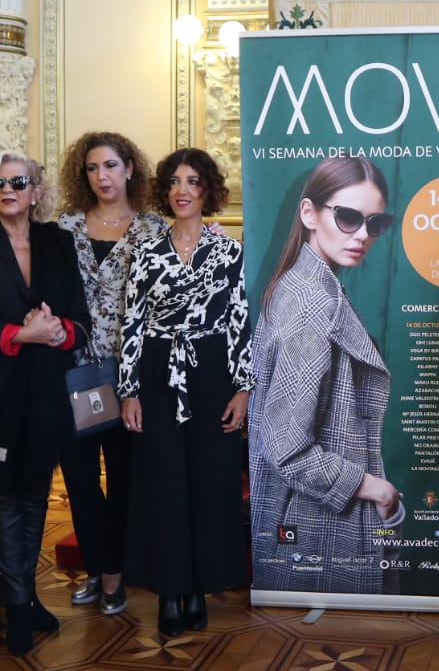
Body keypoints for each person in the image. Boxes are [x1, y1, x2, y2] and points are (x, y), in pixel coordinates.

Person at [0, 152, 91, 654]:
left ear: (36, 191)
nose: (7, 189)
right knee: (4, 492)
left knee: (35, 490)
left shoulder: (58, 241)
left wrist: (56, 332)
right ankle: (14, 607)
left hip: (45, 386)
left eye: (18, 181)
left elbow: (79, 319)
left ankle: (27, 595)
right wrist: (19, 334)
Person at [250, 155, 399, 594]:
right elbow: (288, 449)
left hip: (314, 519)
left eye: (375, 223)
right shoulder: (310, 305)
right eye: (349, 217)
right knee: (333, 633)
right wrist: (376, 489)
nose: (362, 235)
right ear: (309, 213)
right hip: (315, 523)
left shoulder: (308, 285)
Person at [119, 148, 253, 637]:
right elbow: (132, 323)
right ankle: (169, 590)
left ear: (207, 191)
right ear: (164, 190)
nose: (182, 190)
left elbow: (239, 320)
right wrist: (129, 390)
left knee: (210, 481)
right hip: (158, 372)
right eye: (175, 181)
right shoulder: (146, 252)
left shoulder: (229, 252)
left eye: (193, 181)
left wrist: (243, 388)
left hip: (212, 372)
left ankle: (199, 586)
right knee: (164, 482)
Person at [56, 132, 168, 617]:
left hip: (131, 379)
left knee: (123, 479)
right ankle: (96, 566)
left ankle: (116, 575)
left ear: (129, 169)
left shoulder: (153, 229)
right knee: (80, 481)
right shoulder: (64, 227)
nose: (102, 176)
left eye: (110, 166)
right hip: (75, 375)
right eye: (92, 168)